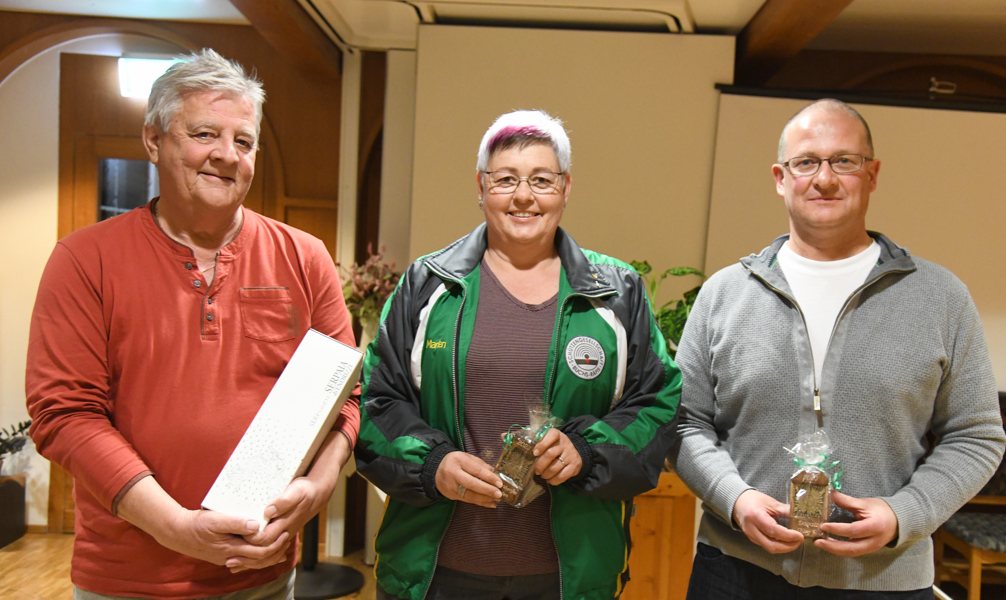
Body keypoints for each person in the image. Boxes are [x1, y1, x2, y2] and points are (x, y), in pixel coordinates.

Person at [25, 49, 359, 600]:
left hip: (263, 568)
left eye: (244, 141)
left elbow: (347, 395)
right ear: (154, 139)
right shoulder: (85, 260)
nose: (227, 156)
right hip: (127, 577)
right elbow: (65, 414)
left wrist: (318, 487)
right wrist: (175, 527)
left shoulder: (305, 256)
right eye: (205, 134)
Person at [671, 98, 1006, 599]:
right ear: (781, 178)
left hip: (882, 579)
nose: (824, 179)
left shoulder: (940, 297)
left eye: (844, 161)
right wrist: (734, 499)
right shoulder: (724, 294)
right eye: (806, 162)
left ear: (872, 175)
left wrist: (904, 513)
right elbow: (683, 421)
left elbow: (977, 436)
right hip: (737, 573)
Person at [355, 109, 682, 600]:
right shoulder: (428, 286)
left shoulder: (616, 292)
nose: (524, 195)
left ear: (566, 188)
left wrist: (587, 450)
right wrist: (432, 464)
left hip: (569, 577)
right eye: (506, 179)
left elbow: (660, 403)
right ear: (481, 187)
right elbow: (377, 401)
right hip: (435, 573)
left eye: (541, 180)